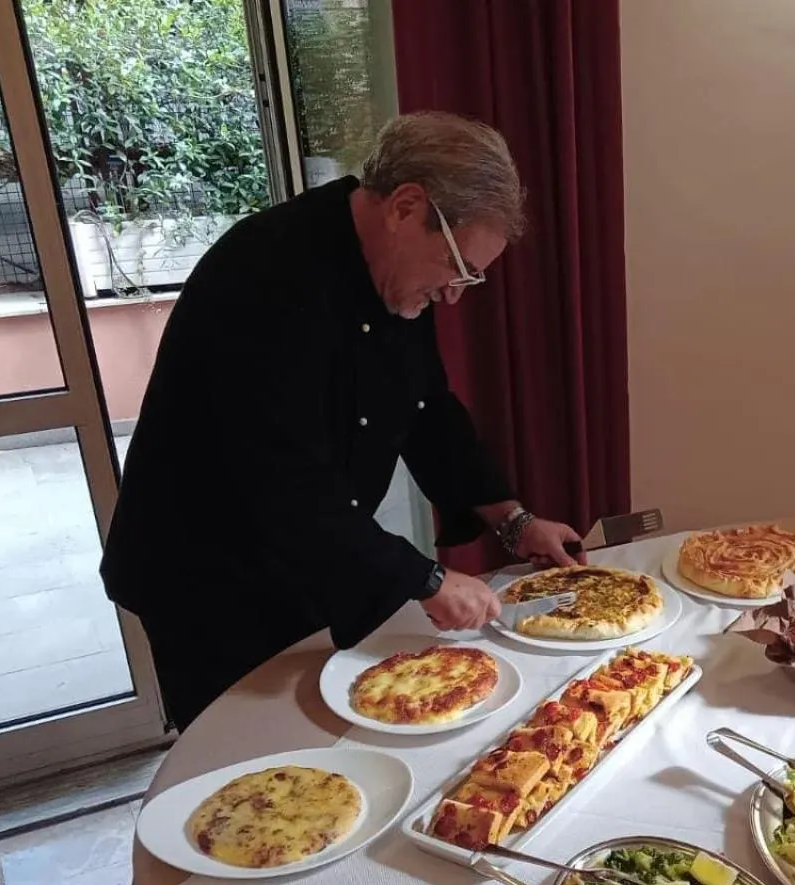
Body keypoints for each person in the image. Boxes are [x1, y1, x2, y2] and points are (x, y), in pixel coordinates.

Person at [100, 112, 582, 731]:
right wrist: (426, 578)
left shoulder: (396, 272)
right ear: (406, 207)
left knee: (326, 732)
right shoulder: (266, 277)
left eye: (472, 278)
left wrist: (512, 521)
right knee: (249, 764)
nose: (456, 295)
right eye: (457, 268)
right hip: (209, 574)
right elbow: (280, 483)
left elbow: (427, 408)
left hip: (303, 552)